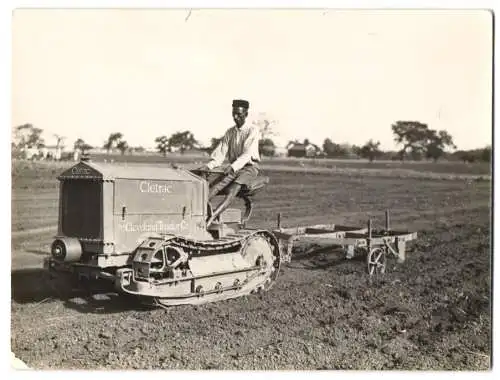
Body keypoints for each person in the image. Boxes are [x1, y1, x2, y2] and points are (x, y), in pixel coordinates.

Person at [199, 99, 261, 226]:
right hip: (234, 168)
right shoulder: (230, 132)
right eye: (233, 114)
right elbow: (221, 152)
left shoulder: (252, 130)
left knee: (232, 190)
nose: (235, 117)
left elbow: (247, 153)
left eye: (239, 114)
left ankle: (210, 219)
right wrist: (209, 165)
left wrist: (232, 167)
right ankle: (197, 213)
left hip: (249, 168)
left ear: (246, 114)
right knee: (215, 187)